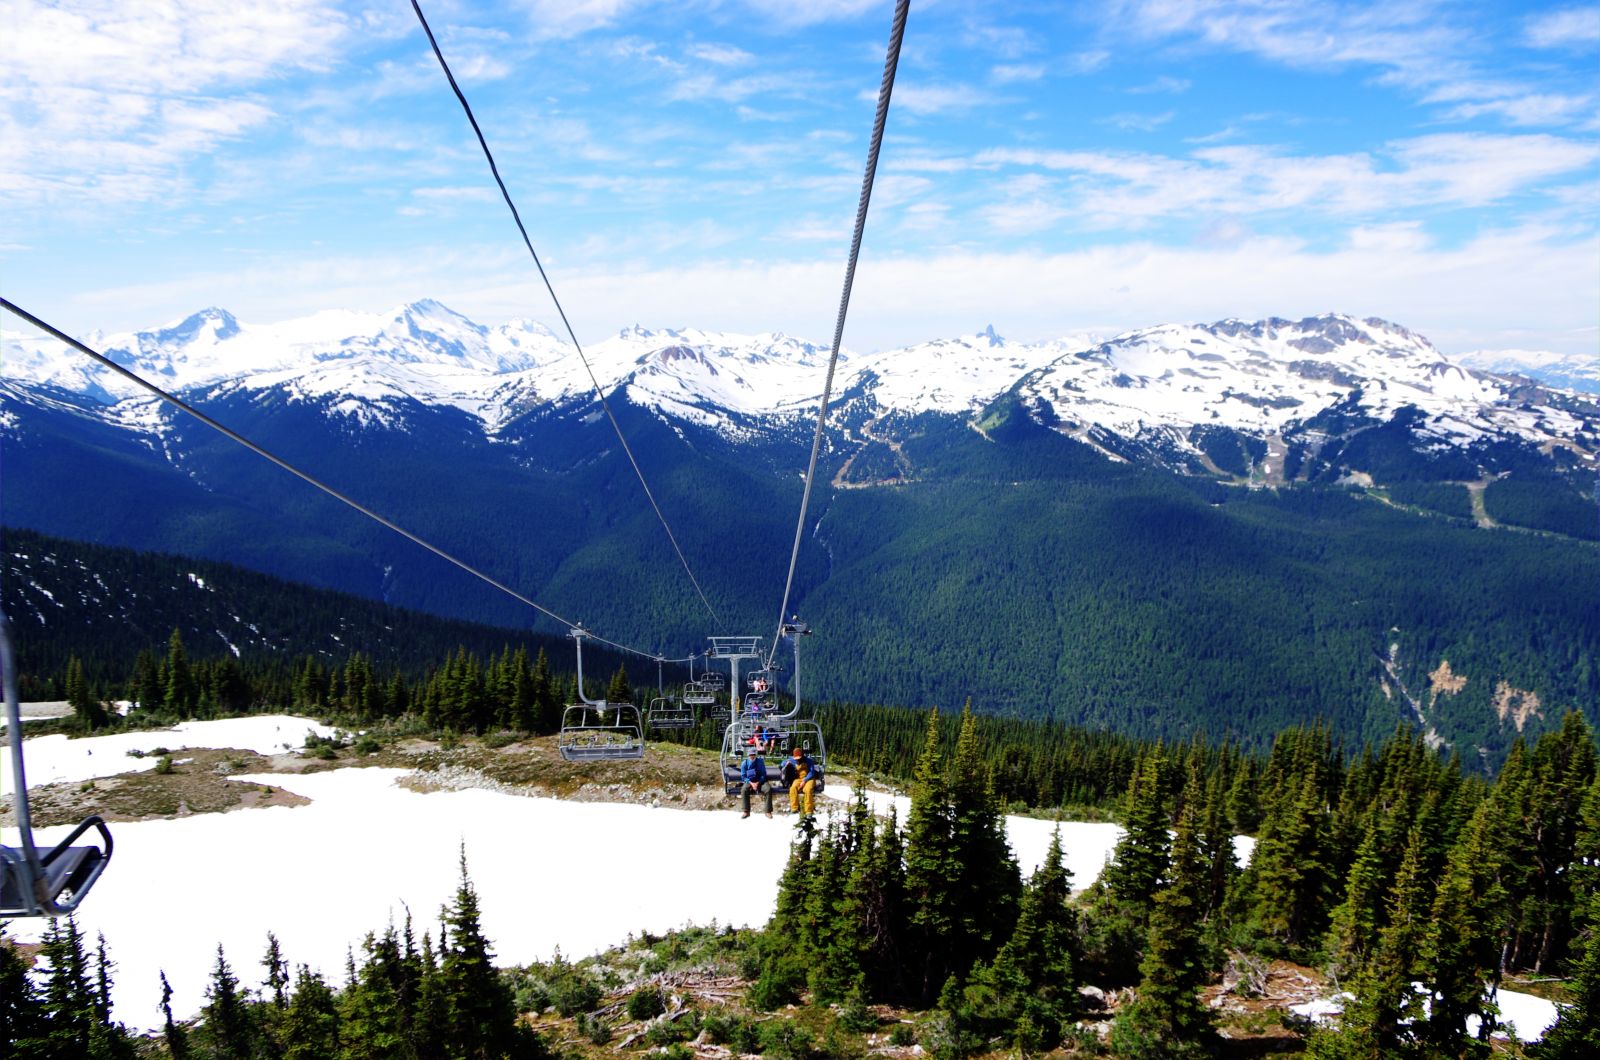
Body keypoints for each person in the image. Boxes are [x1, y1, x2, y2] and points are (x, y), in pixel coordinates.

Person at [782, 745, 819, 816]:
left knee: (808, 790)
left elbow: (811, 772)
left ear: (802, 755)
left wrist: (804, 780)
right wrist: (785, 764)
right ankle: (794, 808)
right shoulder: (791, 759)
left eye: (799, 758)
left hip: (809, 779)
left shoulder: (809, 761)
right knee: (793, 788)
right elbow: (782, 763)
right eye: (796, 758)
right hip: (798, 778)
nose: (797, 759)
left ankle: (808, 810)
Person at [740, 746, 773, 818]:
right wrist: (751, 783)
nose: (752, 756)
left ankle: (768, 811)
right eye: (750, 755)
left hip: (760, 781)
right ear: (748, 755)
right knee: (744, 789)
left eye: (753, 754)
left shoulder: (760, 762)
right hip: (749, 781)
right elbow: (743, 776)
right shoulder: (744, 763)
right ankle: (746, 811)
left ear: (756, 755)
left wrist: (758, 783)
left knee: (768, 789)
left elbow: (763, 774)